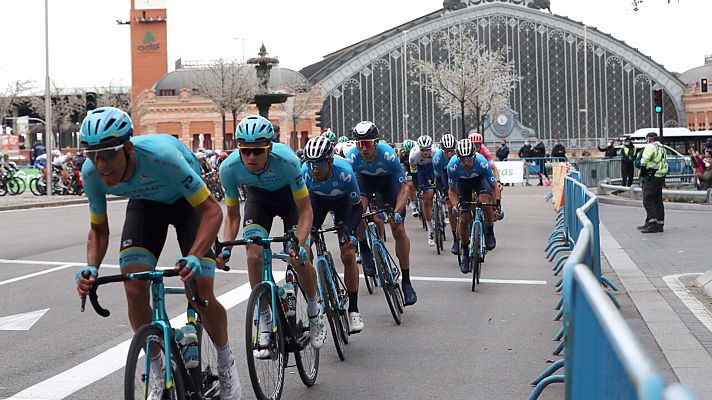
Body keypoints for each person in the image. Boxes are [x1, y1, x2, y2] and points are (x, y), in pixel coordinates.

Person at [74, 107, 242, 399]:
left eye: (107, 154)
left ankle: (226, 363)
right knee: (134, 286)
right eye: (92, 154)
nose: (100, 165)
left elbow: (212, 211)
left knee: (200, 289)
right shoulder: (91, 173)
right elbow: (99, 230)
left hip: (188, 203)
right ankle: (156, 366)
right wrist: (92, 268)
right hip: (145, 206)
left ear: (128, 147)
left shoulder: (161, 157)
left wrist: (194, 255)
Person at [219, 115, 327, 355]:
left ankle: (314, 309)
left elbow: (305, 210)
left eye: (257, 151)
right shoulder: (228, 168)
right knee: (253, 255)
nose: (251, 157)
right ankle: (265, 317)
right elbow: (233, 216)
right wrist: (225, 248)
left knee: (300, 258)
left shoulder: (287, 161)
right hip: (259, 201)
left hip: (291, 201)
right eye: (245, 151)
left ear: (269, 147)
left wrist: (298, 242)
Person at [346, 121, 417, 306]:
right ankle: (365, 249)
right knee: (358, 210)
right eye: (359, 144)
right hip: (365, 183)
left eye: (367, 143)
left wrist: (397, 211)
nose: (363, 149)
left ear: (375, 143)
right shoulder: (352, 157)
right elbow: (348, 188)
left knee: (398, 229)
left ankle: (407, 282)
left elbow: (404, 187)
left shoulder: (388, 155)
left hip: (388, 185)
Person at [302, 136, 365, 333]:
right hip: (317, 203)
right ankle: (315, 297)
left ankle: (354, 310)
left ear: (329, 161)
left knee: (347, 253)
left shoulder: (345, 172)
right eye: (311, 163)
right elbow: (301, 207)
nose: (315, 169)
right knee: (303, 247)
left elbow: (357, 208)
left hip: (344, 205)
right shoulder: (304, 173)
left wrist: (350, 232)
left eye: (319, 163)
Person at [447, 139, 499, 273]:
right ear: (458, 158)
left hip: (479, 181)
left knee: (485, 202)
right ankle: (465, 252)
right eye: (463, 160)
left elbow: (494, 186)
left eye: (469, 159)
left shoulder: (482, 162)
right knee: (463, 219)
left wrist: (497, 204)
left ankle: (489, 232)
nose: (467, 163)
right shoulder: (452, 165)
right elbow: (451, 190)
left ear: (474, 156)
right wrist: (455, 205)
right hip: (462, 185)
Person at [433, 134, 460, 254]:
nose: (449, 154)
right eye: (446, 151)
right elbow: (439, 179)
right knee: (450, 205)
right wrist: (445, 194)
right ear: (442, 150)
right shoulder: (438, 159)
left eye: (452, 151)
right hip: (445, 175)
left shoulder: (461, 155)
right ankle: (455, 238)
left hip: (460, 174)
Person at [409, 135, 437, 246]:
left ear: (431, 148)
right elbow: (414, 174)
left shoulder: (436, 151)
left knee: (440, 188)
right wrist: (418, 188)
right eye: (423, 150)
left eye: (427, 150)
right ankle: (431, 231)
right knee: (425, 200)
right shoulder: (413, 154)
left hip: (432, 168)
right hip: (420, 170)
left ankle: (442, 209)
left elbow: (440, 171)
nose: (425, 153)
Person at [638, 132, 668, 233]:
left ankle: (652, 223)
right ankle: (660, 224)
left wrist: (643, 172)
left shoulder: (650, 146)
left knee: (648, 199)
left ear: (650, 139)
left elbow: (644, 161)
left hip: (651, 176)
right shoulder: (662, 148)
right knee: (658, 200)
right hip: (660, 176)